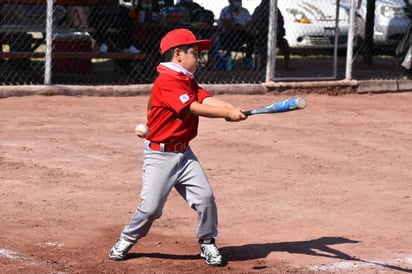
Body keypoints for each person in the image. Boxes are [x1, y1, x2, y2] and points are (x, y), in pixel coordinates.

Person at [108, 28, 247, 266]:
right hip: (160, 156)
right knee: (151, 209)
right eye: (195, 53)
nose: (199, 58)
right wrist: (226, 113)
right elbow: (191, 107)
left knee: (205, 198)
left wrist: (232, 108)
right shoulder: (167, 80)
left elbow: (204, 98)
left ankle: (207, 242)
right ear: (179, 54)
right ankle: (126, 238)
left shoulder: (185, 78)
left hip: (184, 153)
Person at [251, 0, 291, 70]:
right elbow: (255, 23)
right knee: (262, 45)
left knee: (284, 43)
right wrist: (265, 26)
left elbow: (281, 21)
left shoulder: (276, 9)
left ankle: (287, 65)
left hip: (275, 35)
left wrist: (277, 28)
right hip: (262, 35)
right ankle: (263, 66)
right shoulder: (258, 10)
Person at [216, 0, 254, 69]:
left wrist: (246, 29)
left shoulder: (245, 11)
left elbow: (250, 24)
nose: (238, 2)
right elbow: (229, 25)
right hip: (228, 35)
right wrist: (242, 28)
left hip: (243, 35)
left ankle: (248, 58)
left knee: (251, 37)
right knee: (233, 33)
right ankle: (228, 58)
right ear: (230, 1)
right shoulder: (226, 11)